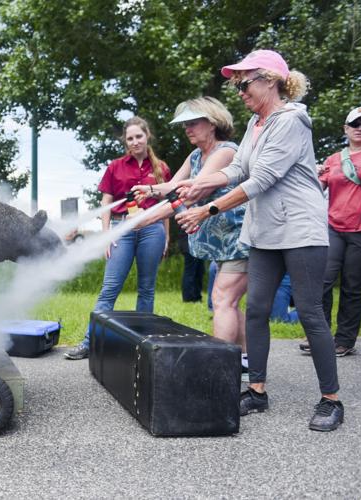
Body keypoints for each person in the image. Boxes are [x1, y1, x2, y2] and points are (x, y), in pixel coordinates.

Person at [174, 50, 344, 431]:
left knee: (311, 313)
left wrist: (207, 210)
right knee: (256, 311)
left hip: (299, 231)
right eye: (236, 83)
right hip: (265, 232)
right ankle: (257, 390)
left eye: (244, 82)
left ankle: (331, 400)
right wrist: (197, 184)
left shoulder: (291, 121)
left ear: (270, 80)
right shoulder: (256, 122)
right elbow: (237, 168)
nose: (239, 90)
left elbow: (261, 179)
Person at [132, 97, 250, 373]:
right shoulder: (196, 155)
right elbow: (173, 186)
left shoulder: (225, 152)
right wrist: (148, 190)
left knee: (222, 300)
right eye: (185, 124)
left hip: (238, 240)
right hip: (220, 245)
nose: (187, 129)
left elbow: (195, 190)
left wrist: (139, 222)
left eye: (193, 123)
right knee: (229, 302)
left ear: (212, 123)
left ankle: (217, 369)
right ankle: (246, 359)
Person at [65, 116, 171, 360]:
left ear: (147, 137)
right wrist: (106, 235)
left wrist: (166, 236)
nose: (135, 142)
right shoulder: (115, 166)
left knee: (147, 289)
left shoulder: (161, 168)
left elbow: (167, 203)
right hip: (121, 231)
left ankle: (143, 345)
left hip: (152, 231)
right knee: (109, 289)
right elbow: (106, 203)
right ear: (125, 140)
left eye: (139, 136)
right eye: (130, 138)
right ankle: (89, 342)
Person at [299, 106, 361, 356]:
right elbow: (313, 190)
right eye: (355, 124)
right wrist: (313, 174)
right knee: (321, 280)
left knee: (353, 285)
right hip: (334, 227)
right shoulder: (334, 159)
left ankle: (344, 340)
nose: (360, 129)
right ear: (345, 128)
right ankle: (320, 335)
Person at [178, 230, 205, 302]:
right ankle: (188, 298)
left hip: (198, 244)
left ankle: (197, 296)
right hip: (189, 244)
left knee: (199, 270)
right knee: (190, 271)